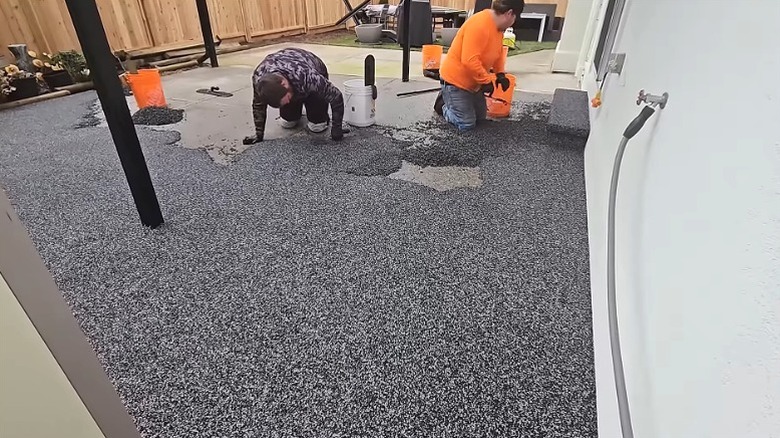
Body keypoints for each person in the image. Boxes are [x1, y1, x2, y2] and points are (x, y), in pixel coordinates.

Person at [435, 0, 523, 131]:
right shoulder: (479, 25)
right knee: (466, 124)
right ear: (509, 13)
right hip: (455, 82)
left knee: (481, 119)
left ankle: (454, 103)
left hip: (474, 83)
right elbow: (469, 60)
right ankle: (443, 106)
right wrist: (485, 80)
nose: (515, 22)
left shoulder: (498, 29)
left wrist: (500, 74)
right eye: (516, 17)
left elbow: (497, 53)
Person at [243, 48, 346, 145]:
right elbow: (258, 106)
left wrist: (337, 128)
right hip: (292, 83)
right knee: (287, 123)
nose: (287, 102)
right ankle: (296, 108)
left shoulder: (307, 76)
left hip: (312, 69)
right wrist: (258, 134)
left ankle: (320, 114)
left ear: (284, 83)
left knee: (317, 127)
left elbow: (336, 96)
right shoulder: (259, 79)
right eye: (283, 103)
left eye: (286, 98)